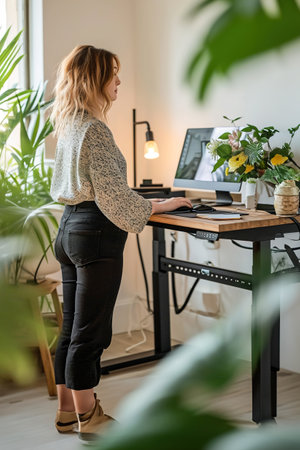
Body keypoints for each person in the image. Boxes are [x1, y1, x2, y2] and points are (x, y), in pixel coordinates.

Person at [50, 44, 192, 442]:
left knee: (71, 329)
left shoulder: (71, 123)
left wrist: (144, 202)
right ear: (94, 78)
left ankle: (66, 413)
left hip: (69, 229)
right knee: (90, 332)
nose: (118, 82)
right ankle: (89, 418)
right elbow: (112, 198)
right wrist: (160, 204)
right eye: (113, 74)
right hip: (95, 235)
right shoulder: (95, 130)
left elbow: (97, 188)